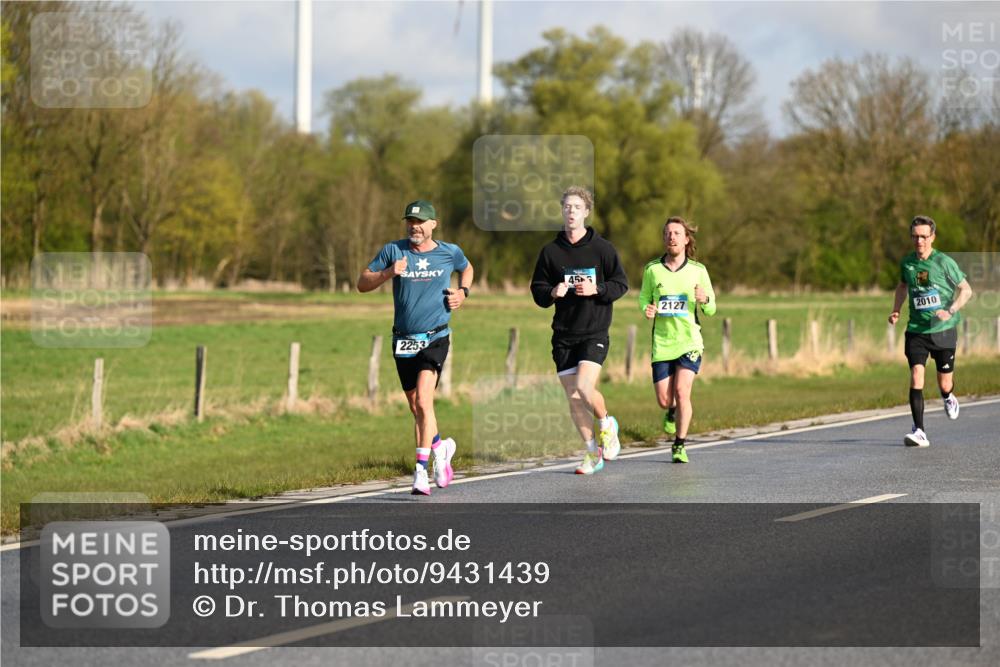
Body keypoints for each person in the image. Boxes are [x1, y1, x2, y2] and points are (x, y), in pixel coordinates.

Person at [357, 200, 474, 494]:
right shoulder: (393, 251)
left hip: (435, 335)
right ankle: (441, 449)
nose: (415, 226)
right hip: (403, 338)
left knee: (424, 401)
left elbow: (467, 267)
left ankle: (420, 472)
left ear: (433, 224)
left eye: (420, 222)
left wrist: (463, 292)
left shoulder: (450, 252)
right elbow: (362, 282)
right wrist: (388, 273)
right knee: (415, 407)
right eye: (410, 221)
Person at [530, 186, 629, 475]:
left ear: (586, 212)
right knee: (573, 398)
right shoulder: (550, 252)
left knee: (585, 389)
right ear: (562, 211)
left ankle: (606, 423)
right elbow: (537, 291)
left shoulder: (603, 249)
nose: (571, 211)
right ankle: (591, 453)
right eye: (567, 207)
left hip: (594, 331)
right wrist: (553, 291)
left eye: (577, 207)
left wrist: (596, 288)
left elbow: (620, 284)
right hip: (563, 334)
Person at [888, 215, 972, 447]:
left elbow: (966, 290)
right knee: (916, 376)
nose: (919, 241)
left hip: (943, 330)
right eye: (915, 236)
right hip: (916, 330)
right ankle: (919, 431)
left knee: (944, 384)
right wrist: (896, 310)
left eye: (924, 236)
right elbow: (903, 286)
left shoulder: (944, 262)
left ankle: (948, 397)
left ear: (932, 237)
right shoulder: (907, 263)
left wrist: (951, 310)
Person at [638, 217, 716, 464]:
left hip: (689, 341)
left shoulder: (698, 271)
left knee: (683, 392)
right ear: (664, 239)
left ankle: (679, 445)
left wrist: (704, 299)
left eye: (677, 233)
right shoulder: (652, 270)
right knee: (665, 400)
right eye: (668, 233)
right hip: (663, 343)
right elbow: (643, 298)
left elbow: (712, 309)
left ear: (686, 239)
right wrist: (647, 309)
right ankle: (670, 413)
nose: (672, 237)